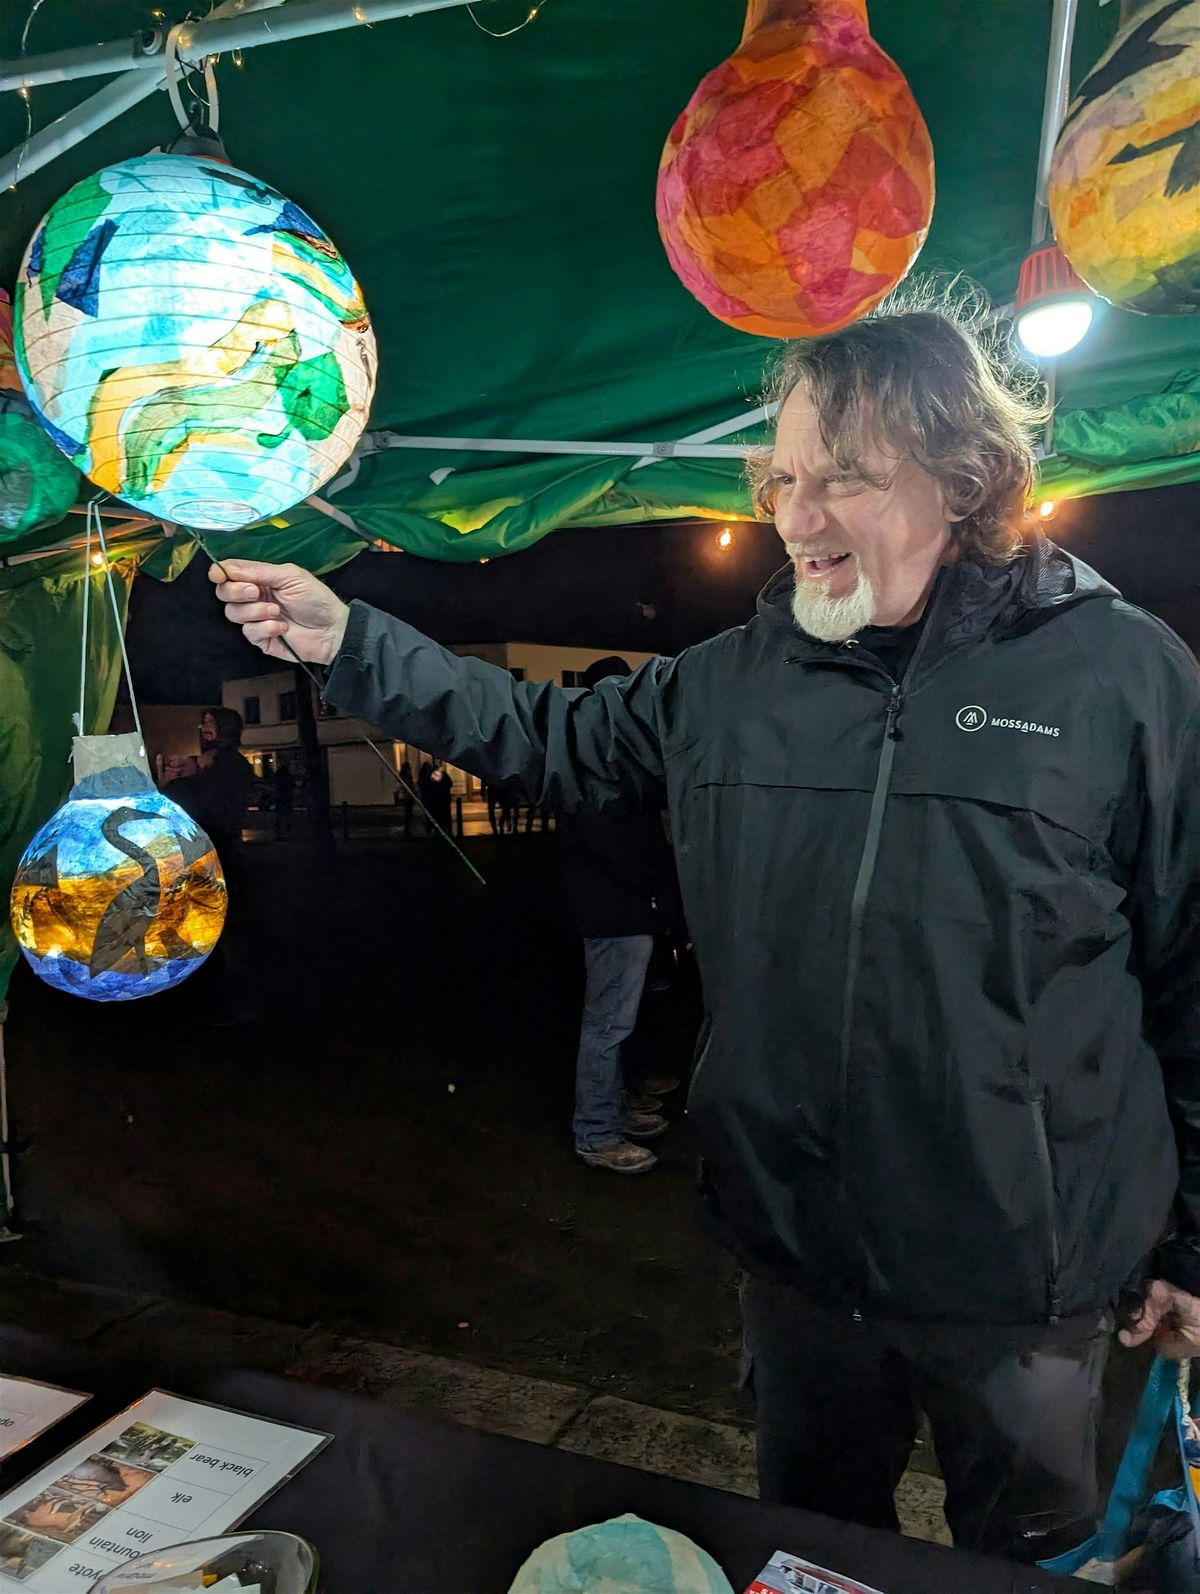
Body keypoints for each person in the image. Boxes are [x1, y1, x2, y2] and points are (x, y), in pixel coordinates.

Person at [210, 298, 1199, 1565]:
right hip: (796, 1257)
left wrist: (1193, 1241)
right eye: (783, 477)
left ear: (963, 478)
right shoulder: (732, 679)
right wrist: (351, 641)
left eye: (842, 478)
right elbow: (546, 736)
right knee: (802, 1551)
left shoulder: (1119, 673)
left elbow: (1188, 965)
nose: (796, 517)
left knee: (1022, 1563)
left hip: (1020, 1278)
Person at [560, 656, 683, 1174]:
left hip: (628, 908)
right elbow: (614, 842)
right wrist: (653, 894)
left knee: (622, 1018)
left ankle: (618, 1107)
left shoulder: (611, 750)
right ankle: (597, 1132)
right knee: (608, 1024)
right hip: (616, 912)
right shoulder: (593, 755)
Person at [164, 706, 258, 1023]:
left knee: (226, 927)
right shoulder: (207, 766)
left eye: (210, 722)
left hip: (222, 856)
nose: (203, 727)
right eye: (202, 722)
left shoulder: (232, 767)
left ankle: (233, 1001)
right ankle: (209, 996)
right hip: (200, 857)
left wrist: (199, 772)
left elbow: (220, 808)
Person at [271, 759, 296, 840]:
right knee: (286, 816)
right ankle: (284, 832)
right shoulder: (288, 776)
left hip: (280, 798)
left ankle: (279, 832)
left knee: (279, 816)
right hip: (285, 798)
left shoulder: (279, 775)